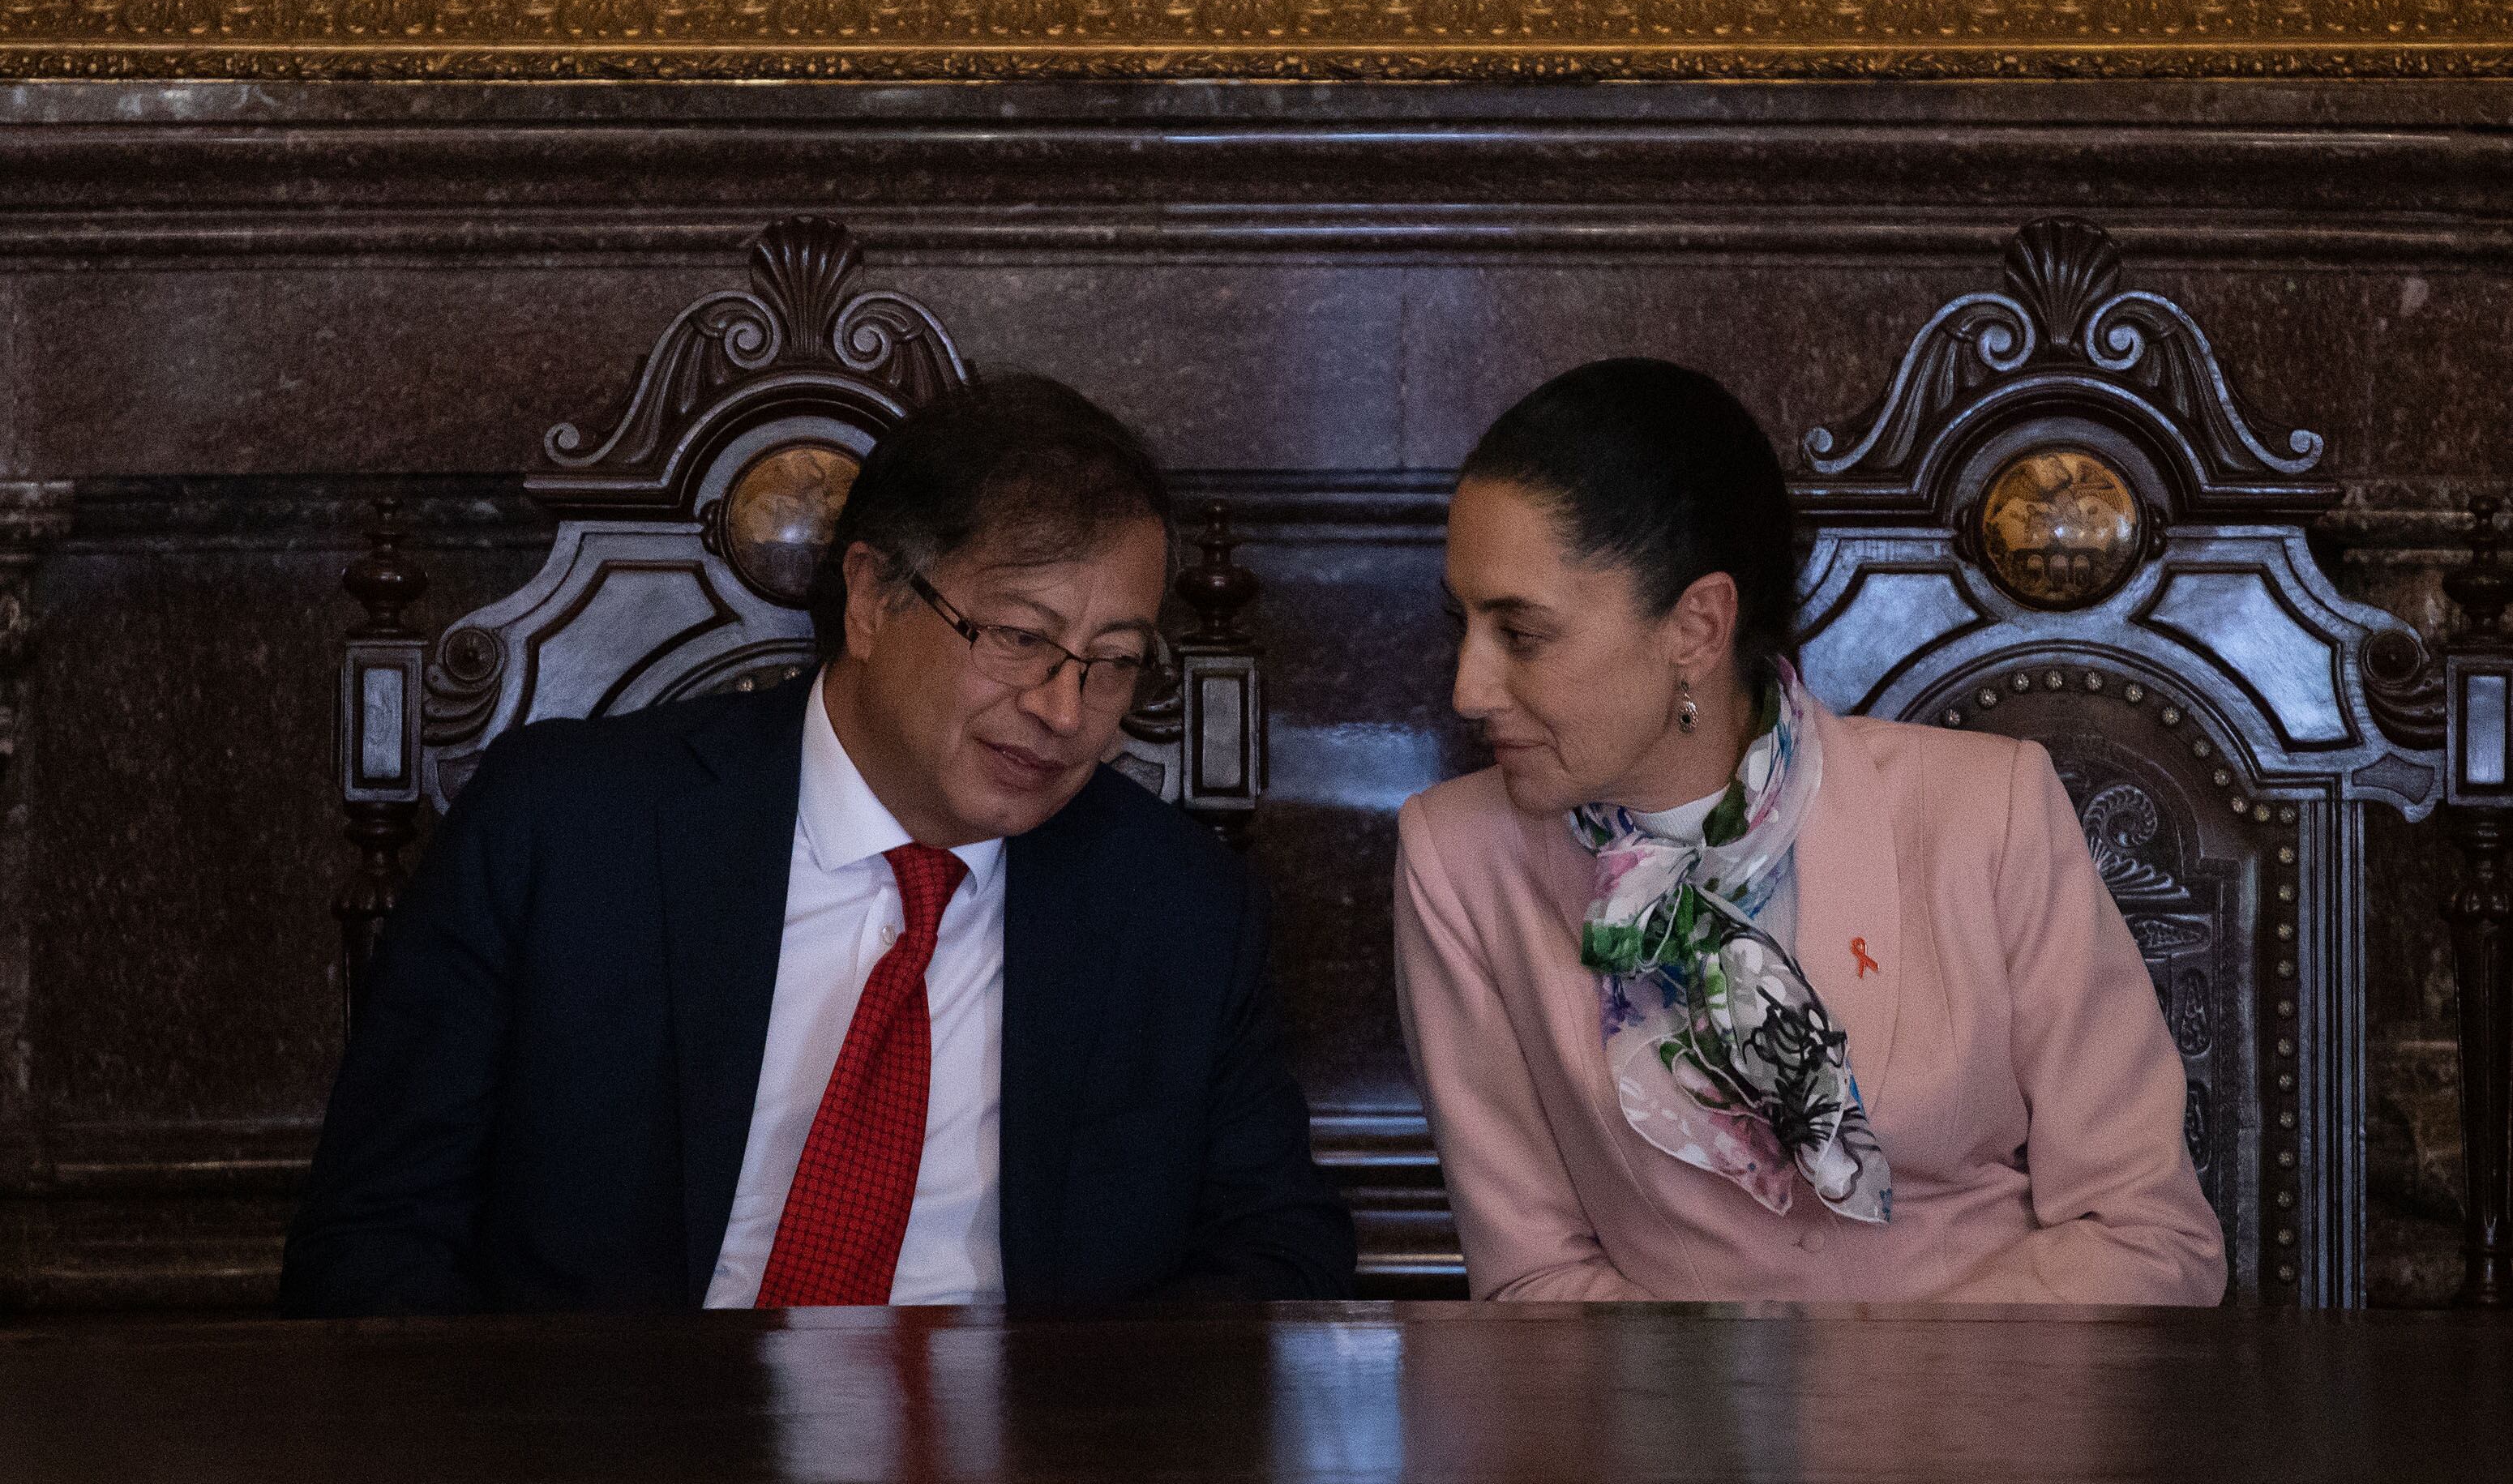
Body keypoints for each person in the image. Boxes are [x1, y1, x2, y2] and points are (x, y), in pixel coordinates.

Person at [283, 376, 1354, 1313]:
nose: (1064, 708)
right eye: (1020, 637)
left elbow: (1282, 1251)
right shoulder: (566, 830)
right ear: (872, 598)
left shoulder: (1179, 907)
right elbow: (370, 1238)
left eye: (1112, 660)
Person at [1394, 357, 2225, 1304]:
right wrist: (1747, 1391)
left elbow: (2148, 1234)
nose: (1467, 688)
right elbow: (1533, 1277)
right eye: (1461, 625)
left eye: (1521, 634)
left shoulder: (1985, 810)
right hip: (1659, 1400)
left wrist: (1888, 1387)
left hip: (2002, 1387)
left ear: (1696, 627)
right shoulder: (1456, 859)